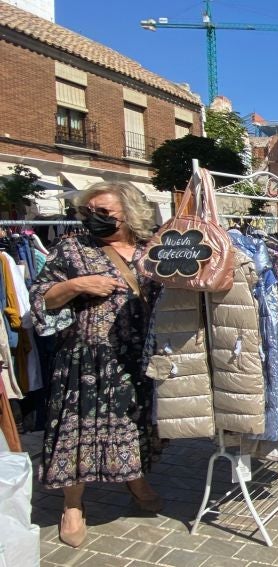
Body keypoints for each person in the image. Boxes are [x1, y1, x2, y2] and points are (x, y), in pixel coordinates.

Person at [29, 182, 163, 548]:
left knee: (131, 426)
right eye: (89, 212)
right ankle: (72, 504)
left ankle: (135, 481)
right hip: (84, 357)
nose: (94, 218)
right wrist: (77, 285)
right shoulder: (72, 249)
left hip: (136, 358)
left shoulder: (152, 251)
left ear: (129, 213)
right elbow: (41, 298)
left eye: (104, 212)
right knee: (75, 431)